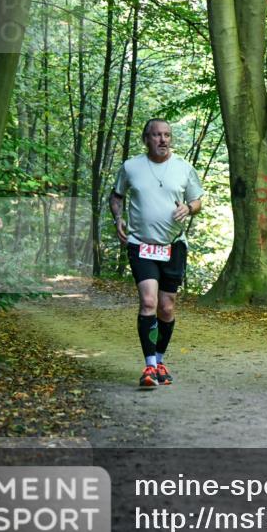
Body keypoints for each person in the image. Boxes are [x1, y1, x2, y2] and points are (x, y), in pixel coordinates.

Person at [109, 119, 204, 388]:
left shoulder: (184, 168)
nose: (162, 140)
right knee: (149, 302)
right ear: (146, 139)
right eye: (156, 135)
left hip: (173, 245)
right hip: (141, 244)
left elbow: (197, 200)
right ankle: (149, 366)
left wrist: (189, 208)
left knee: (166, 306)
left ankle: (160, 361)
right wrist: (118, 219)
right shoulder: (131, 167)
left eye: (166, 135)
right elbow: (116, 196)